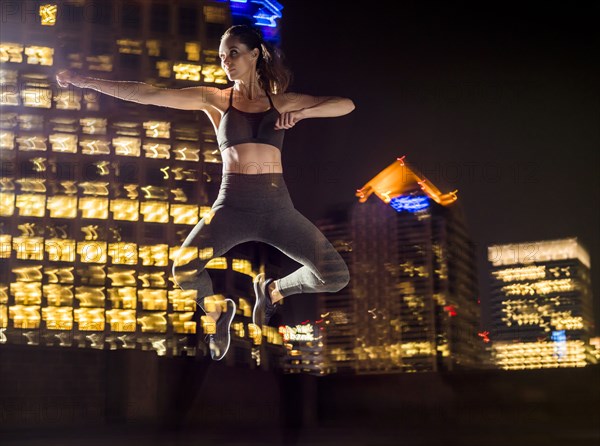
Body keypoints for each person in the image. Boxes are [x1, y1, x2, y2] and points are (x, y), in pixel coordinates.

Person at [56, 24, 354, 361]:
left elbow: (345, 105)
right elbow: (150, 93)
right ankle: (217, 310)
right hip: (232, 207)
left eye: (234, 53)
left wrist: (302, 113)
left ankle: (272, 289)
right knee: (183, 269)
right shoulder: (215, 99)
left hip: (278, 210)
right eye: (222, 56)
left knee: (334, 275)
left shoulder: (281, 101)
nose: (226, 61)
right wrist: (88, 81)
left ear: (255, 54)